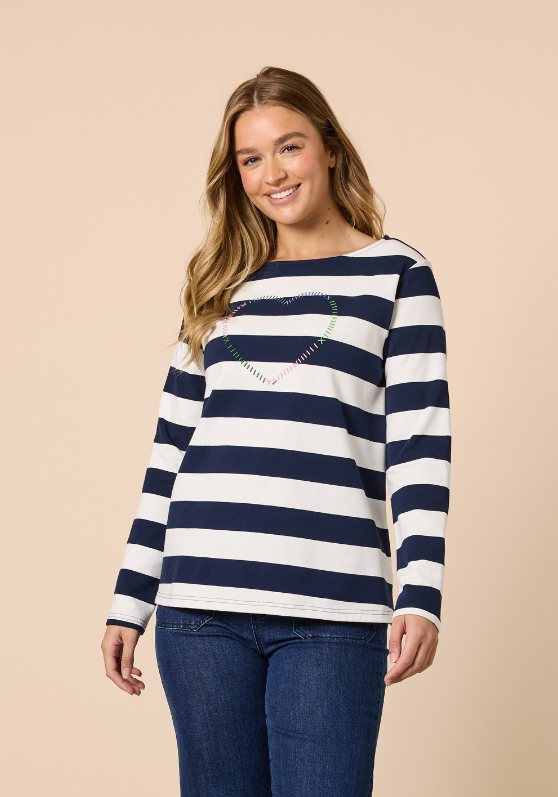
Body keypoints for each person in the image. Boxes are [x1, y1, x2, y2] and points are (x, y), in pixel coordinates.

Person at [101, 65, 451, 796]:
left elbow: (418, 443)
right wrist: (130, 600)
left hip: (332, 612)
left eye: (289, 147)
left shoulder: (397, 273)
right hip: (200, 609)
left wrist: (420, 592)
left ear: (329, 148)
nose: (273, 174)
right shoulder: (219, 283)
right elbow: (171, 452)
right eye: (251, 159)